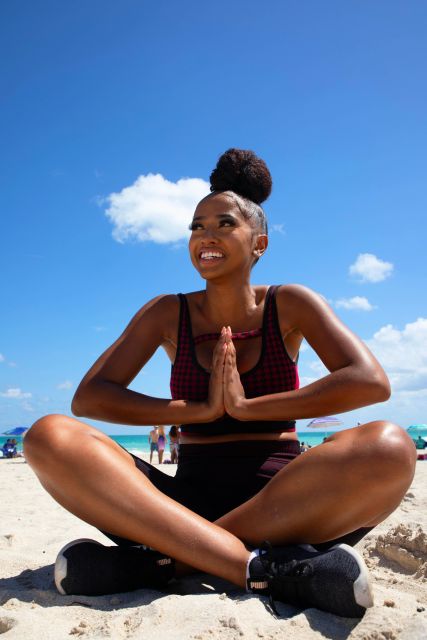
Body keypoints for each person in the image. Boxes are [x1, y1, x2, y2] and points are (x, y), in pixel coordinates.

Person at [23, 148, 416, 618]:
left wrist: (248, 408)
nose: (205, 236)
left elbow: (370, 382)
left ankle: (168, 562)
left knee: (391, 446)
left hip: (287, 505)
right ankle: (262, 566)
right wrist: (199, 411)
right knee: (48, 436)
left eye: (224, 223)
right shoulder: (168, 312)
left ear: (259, 244)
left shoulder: (289, 303)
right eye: (196, 226)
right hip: (180, 505)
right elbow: (89, 398)